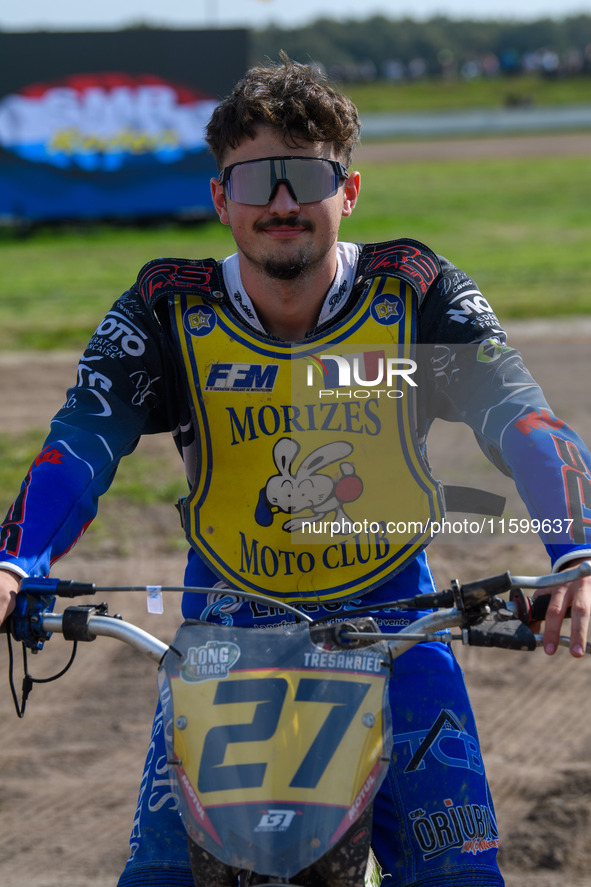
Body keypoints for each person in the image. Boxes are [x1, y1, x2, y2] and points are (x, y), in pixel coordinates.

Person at [1, 54, 591, 887]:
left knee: (457, 875)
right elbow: (84, 441)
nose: (281, 202)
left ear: (347, 192)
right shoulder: (166, 308)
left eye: (305, 175)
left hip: (398, 622)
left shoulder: (415, 291)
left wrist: (577, 550)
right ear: (219, 199)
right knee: (162, 877)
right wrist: (13, 559)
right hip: (224, 642)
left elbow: (520, 417)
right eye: (255, 180)